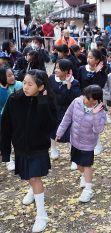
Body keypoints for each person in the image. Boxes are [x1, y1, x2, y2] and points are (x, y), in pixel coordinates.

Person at [1, 70, 57, 232]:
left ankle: (41, 215)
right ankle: (33, 190)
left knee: (34, 176)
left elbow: (50, 126)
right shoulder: (14, 99)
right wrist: (5, 151)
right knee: (28, 177)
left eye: (30, 84)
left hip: (38, 147)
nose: (25, 87)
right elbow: (5, 126)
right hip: (20, 147)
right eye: (24, 82)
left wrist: (42, 102)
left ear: (40, 87)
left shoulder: (46, 101)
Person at [56, 85, 106, 203]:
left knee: (87, 165)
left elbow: (98, 130)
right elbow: (67, 117)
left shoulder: (101, 111)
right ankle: (83, 175)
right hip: (75, 140)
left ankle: (88, 189)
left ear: (95, 100)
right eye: (85, 97)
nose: (85, 100)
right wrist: (60, 131)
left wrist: (95, 114)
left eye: (89, 99)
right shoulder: (77, 102)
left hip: (88, 143)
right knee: (78, 164)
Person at [48, 59, 81, 164]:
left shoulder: (74, 83)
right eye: (56, 67)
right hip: (54, 110)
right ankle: (53, 149)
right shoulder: (52, 79)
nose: (56, 70)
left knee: (70, 133)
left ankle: (74, 157)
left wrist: (68, 86)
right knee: (52, 130)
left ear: (67, 71)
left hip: (68, 111)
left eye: (59, 68)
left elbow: (74, 98)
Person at [0, 67, 23, 171]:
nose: (12, 77)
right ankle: (9, 160)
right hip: (3, 119)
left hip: (18, 117)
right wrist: (3, 89)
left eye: (12, 74)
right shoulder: (1, 89)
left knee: (18, 138)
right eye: (9, 75)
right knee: (5, 139)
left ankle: (20, 158)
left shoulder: (19, 85)